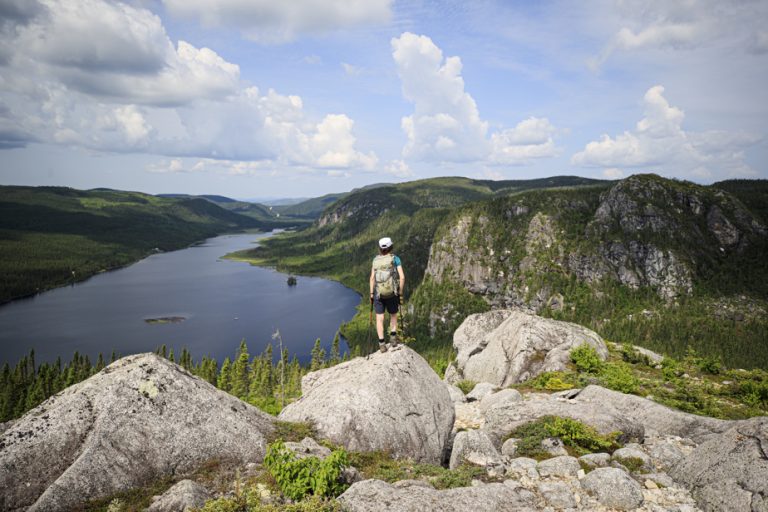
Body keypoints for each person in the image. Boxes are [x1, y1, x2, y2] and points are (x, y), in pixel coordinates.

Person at [369, 237, 405, 353]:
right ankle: (393, 339)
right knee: (393, 315)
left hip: (379, 293)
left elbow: (372, 278)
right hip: (392, 293)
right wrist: (399, 292)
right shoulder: (395, 259)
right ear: (391, 247)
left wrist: (371, 294)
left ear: (380, 248)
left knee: (380, 318)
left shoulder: (375, 260)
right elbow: (402, 277)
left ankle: (382, 344)